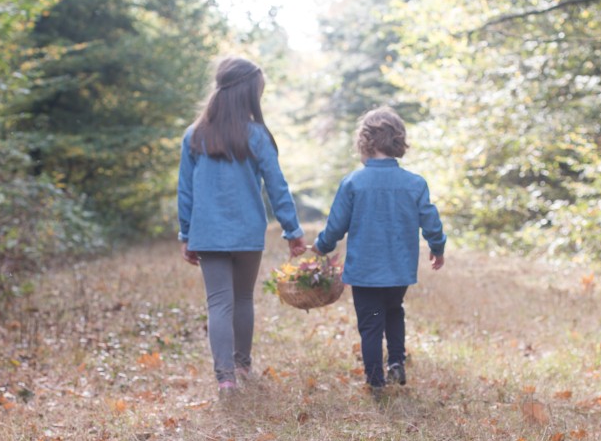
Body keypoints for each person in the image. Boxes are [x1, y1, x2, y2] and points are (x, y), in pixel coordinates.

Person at [177, 57, 306, 395]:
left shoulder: (194, 135)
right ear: (247, 95)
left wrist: (185, 233)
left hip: (207, 234)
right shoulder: (257, 135)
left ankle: (225, 378)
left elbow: (185, 191)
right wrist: (293, 231)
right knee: (243, 298)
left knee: (219, 302)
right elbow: (278, 186)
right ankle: (242, 364)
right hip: (247, 232)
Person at [312, 106, 446, 397]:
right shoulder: (415, 183)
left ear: (364, 142)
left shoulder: (353, 182)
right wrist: (438, 248)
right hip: (399, 269)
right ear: (398, 141)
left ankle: (375, 380)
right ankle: (396, 360)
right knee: (394, 310)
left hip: (365, 271)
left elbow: (336, 226)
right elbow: (431, 222)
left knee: (370, 323)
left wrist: (321, 247)